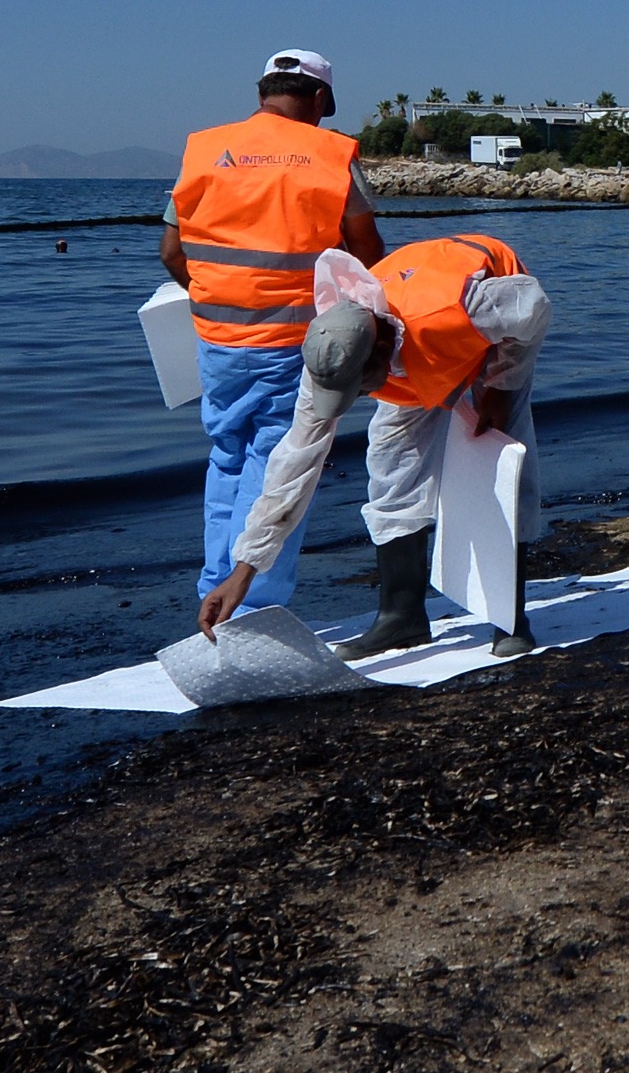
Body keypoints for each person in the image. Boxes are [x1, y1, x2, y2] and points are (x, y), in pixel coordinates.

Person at [199, 233, 552, 645]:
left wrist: (501, 386)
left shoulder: (455, 310)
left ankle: (510, 618)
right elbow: (294, 463)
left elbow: (533, 308)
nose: (358, 398)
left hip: (487, 330)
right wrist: (244, 570)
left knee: (502, 467)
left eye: (361, 386)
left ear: (383, 348)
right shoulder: (329, 353)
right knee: (391, 472)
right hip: (421, 352)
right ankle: (402, 617)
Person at [165, 49, 385, 621]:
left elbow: (171, 252)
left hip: (217, 340)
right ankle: (252, 609)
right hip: (293, 343)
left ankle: (214, 591)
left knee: (228, 459)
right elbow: (367, 259)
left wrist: (221, 298)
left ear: (262, 92)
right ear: (320, 98)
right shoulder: (330, 156)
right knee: (279, 467)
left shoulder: (205, 149)